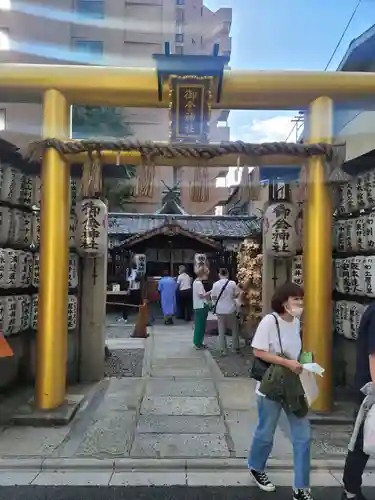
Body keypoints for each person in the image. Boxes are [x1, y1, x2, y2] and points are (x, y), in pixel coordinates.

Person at [248, 282, 312, 500]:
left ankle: (301, 488)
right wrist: (286, 363)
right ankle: (256, 466)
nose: (300, 304)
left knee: (303, 436)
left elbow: (297, 351)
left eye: (301, 299)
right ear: (284, 302)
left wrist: (307, 362)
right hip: (272, 387)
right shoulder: (269, 321)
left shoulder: (296, 323)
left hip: (293, 387)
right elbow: (258, 351)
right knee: (266, 432)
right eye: (296, 300)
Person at [341, 302, 375, 500]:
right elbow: (374, 356)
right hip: (369, 390)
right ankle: (350, 490)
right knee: (362, 440)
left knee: (362, 440)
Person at [211, 268, 240, 356]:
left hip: (220, 310)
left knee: (221, 330)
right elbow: (236, 294)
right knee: (234, 328)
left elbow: (213, 297)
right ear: (227, 274)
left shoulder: (215, 284)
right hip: (231, 309)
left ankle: (223, 349)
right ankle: (235, 347)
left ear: (219, 274)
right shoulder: (232, 283)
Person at [192, 266, 211, 349]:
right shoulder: (199, 283)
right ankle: (198, 342)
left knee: (199, 325)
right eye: (206, 274)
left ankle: (197, 341)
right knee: (201, 325)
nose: (207, 276)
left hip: (197, 306)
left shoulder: (195, 282)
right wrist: (211, 292)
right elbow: (201, 295)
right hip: (201, 306)